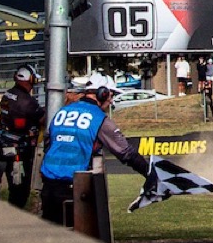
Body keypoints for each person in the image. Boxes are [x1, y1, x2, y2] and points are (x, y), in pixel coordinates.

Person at [39, 74, 151, 228]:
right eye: (111, 95)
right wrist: (149, 173)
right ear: (102, 93)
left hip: (48, 185)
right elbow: (126, 152)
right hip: (74, 187)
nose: (111, 100)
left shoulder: (62, 112)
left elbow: (48, 142)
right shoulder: (98, 118)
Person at [0, 66, 46, 209]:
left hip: (4, 144)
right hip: (19, 150)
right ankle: (13, 214)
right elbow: (42, 119)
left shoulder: (8, 94)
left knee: (13, 185)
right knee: (20, 190)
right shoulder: (27, 101)